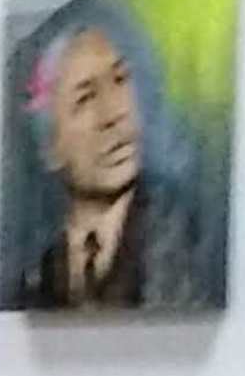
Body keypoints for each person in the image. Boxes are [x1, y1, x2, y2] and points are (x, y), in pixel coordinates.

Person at [15, 20, 171, 309]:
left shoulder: (181, 243)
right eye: (85, 98)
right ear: (50, 148)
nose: (115, 113)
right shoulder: (34, 280)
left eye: (120, 80)